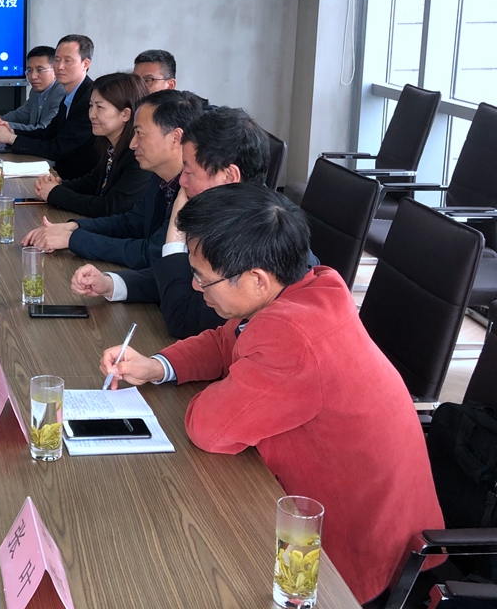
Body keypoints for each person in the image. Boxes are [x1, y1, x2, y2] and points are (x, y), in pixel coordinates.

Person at [100, 184, 443, 604]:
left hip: (352, 559)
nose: (194, 287)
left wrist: (232, 386)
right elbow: (226, 341)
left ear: (257, 280)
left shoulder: (291, 336)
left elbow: (209, 428)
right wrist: (157, 366)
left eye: (203, 278)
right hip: (345, 513)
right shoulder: (309, 287)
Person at [71, 106, 271, 339]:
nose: (182, 180)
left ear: (229, 177)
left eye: (189, 172)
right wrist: (111, 283)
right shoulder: (231, 214)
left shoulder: (253, 238)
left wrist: (177, 228)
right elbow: (180, 277)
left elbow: (183, 320)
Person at [22, 89, 206, 269]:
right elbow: (131, 223)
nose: (133, 144)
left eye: (140, 134)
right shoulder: (161, 177)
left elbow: (152, 253)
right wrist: (74, 227)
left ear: (176, 138)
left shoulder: (196, 190)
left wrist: (73, 239)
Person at [32, 71, 153, 217]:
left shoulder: (139, 156)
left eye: (99, 107)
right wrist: (59, 184)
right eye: (90, 106)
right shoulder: (110, 146)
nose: (91, 114)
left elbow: (109, 207)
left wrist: (55, 193)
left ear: (125, 114)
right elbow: (93, 182)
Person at [0, 35, 103, 180]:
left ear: (85, 64)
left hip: (79, 182)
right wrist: (12, 130)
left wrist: (11, 138)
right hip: (61, 176)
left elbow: (57, 148)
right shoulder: (70, 95)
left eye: (67, 61)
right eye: (57, 60)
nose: (60, 66)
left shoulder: (89, 99)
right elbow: (47, 133)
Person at [0, 46, 65, 132]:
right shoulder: (35, 92)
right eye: (29, 70)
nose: (33, 76)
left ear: (55, 71)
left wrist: (0, 124)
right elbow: (19, 116)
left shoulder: (62, 94)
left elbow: (44, 131)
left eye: (40, 70)